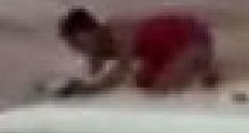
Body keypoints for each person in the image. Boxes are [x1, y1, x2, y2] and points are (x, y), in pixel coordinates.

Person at [56, 7, 219, 95]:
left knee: (159, 93)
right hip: (161, 54)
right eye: (72, 45)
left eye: (77, 42)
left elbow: (122, 71)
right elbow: (92, 76)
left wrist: (90, 90)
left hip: (190, 39)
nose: (76, 49)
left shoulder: (118, 29)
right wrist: (75, 87)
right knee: (142, 84)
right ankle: (201, 71)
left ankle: (206, 69)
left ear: (92, 31)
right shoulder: (96, 51)